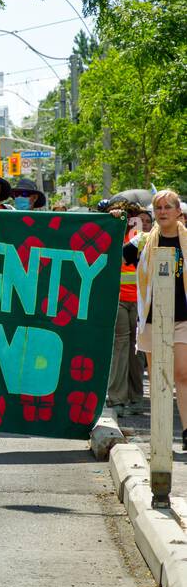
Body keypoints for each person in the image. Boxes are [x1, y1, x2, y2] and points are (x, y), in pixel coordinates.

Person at [127, 190, 187, 448]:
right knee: (158, 377)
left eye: (167, 207)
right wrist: (116, 219)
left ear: (178, 212)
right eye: (158, 208)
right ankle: (160, 435)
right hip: (152, 319)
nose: (162, 212)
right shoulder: (143, 241)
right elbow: (116, 253)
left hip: (183, 318)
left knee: (182, 374)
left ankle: (186, 431)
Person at [109, 204, 147, 416]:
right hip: (119, 300)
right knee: (121, 346)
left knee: (137, 349)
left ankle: (135, 398)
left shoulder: (141, 239)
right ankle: (117, 399)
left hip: (141, 301)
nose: (129, 220)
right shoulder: (112, 236)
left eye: (133, 217)